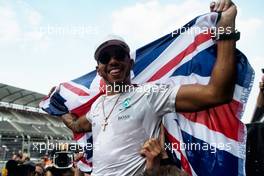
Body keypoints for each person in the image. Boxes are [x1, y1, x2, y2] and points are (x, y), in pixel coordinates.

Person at [56, 0, 239, 175]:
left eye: (120, 55)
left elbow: (217, 93)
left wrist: (226, 29)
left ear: (131, 63)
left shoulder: (150, 94)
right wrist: (57, 105)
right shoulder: (96, 107)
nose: (113, 61)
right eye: (105, 58)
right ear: (99, 70)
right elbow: (75, 125)